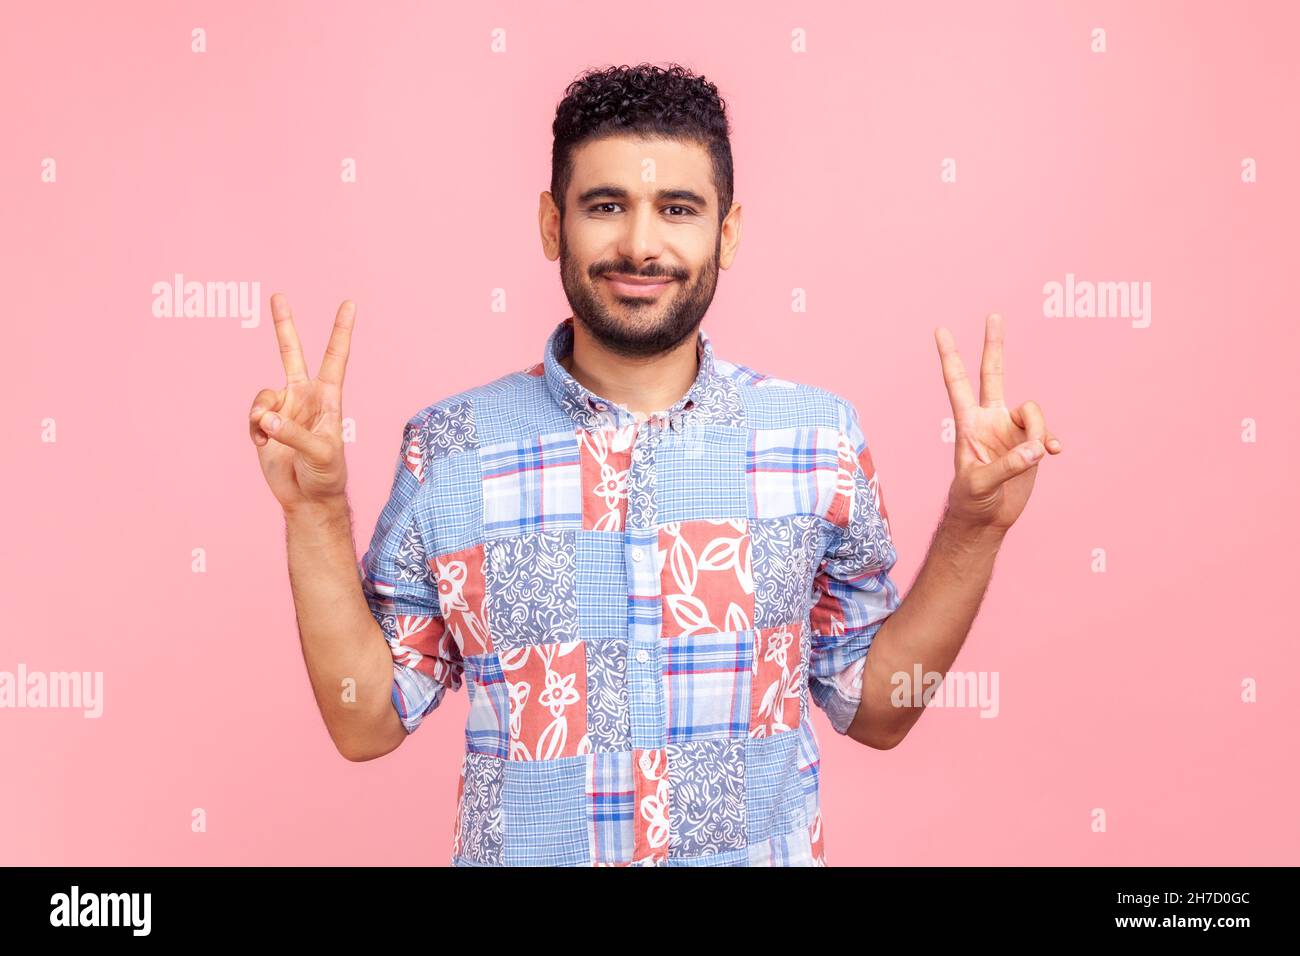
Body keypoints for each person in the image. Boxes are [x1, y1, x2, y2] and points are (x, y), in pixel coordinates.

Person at [248, 62, 1062, 867]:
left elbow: (878, 711)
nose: (640, 245)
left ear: (727, 232)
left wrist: (975, 527)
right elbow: (365, 723)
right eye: (606, 206)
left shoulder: (818, 441)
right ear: (550, 224)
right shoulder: (451, 446)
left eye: (678, 209)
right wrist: (313, 510)